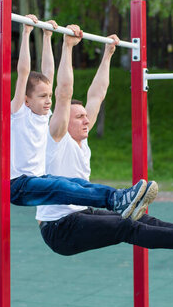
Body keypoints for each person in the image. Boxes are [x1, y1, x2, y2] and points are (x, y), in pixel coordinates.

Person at [36, 33, 173, 257]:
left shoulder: (81, 139)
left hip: (82, 213)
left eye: (86, 116)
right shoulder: (56, 138)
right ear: (64, 121)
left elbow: (97, 94)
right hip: (59, 228)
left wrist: (108, 54)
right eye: (79, 118)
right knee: (126, 227)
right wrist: (67, 47)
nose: (87, 120)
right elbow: (63, 92)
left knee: (139, 217)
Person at [9, 15, 152, 220]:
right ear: (26, 100)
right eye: (42, 96)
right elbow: (24, 73)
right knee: (62, 184)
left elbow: (51, 74)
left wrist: (48, 36)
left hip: (38, 180)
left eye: (49, 96)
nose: (49, 101)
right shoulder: (20, 112)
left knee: (75, 183)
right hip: (19, 184)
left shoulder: (44, 114)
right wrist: (26, 33)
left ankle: (120, 197)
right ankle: (115, 200)